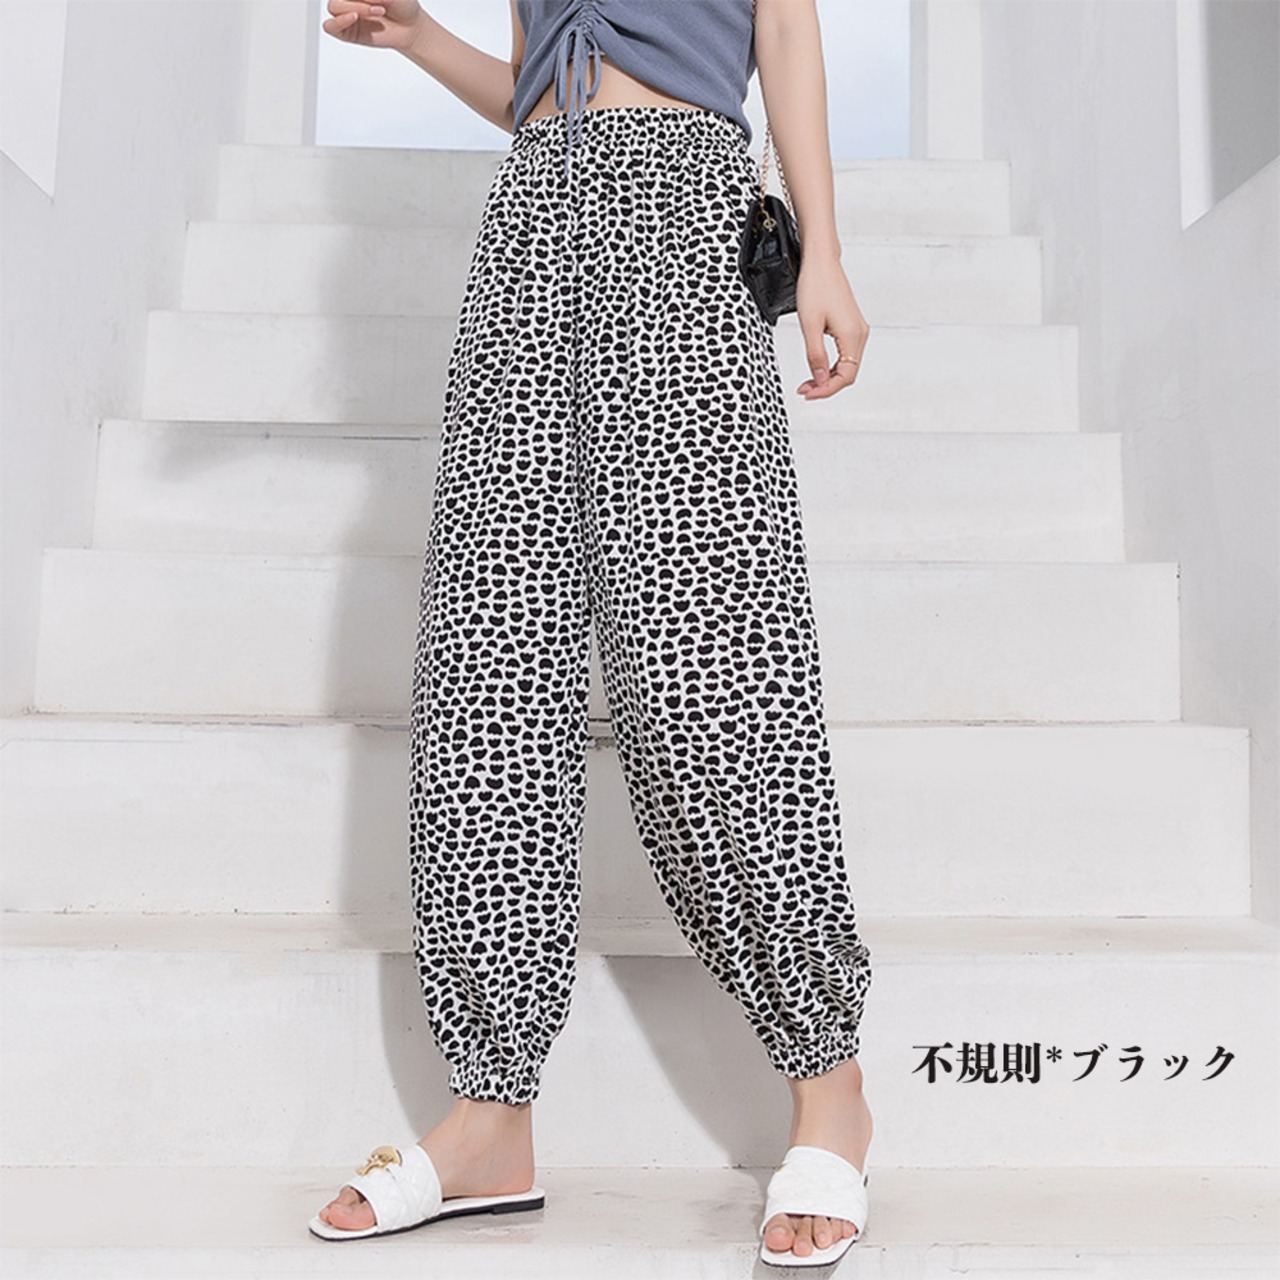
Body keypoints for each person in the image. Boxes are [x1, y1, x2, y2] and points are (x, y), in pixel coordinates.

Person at [310, 0, 874, 1265]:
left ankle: (828, 1081)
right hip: (529, 220)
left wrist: (824, 249)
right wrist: (418, 39)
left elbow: (784, 27)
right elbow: (530, 85)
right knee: (489, 660)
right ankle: (489, 1112)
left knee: (708, 660)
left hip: (682, 214)